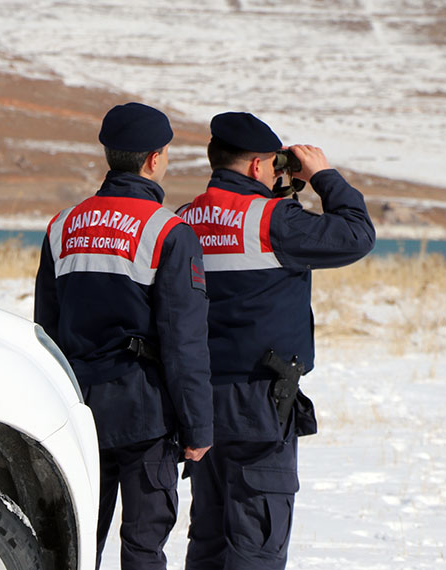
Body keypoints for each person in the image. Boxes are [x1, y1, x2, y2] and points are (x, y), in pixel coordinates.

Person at [179, 112, 375, 570]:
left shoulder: (183, 219)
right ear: (256, 168)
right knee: (257, 540)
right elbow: (357, 234)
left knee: (208, 535)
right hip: (260, 403)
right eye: (272, 164)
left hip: (197, 400)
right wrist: (323, 176)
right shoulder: (273, 220)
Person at [34, 102, 213, 570]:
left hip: (76, 409)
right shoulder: (169, 231)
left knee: (73, 543)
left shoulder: (63, 225)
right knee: (143, 547)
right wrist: (197, 428)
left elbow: (46, 331)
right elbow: (183, 342)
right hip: (144, 415)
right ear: (155, 159)